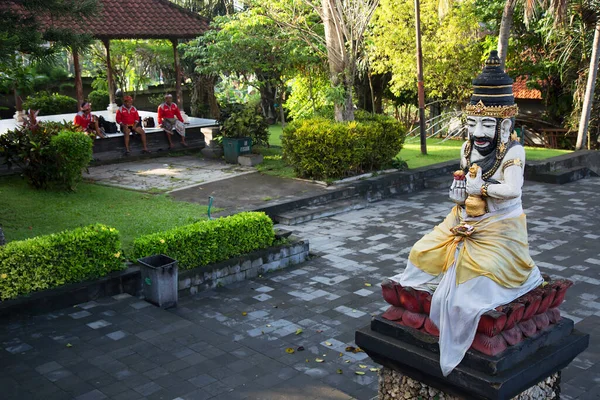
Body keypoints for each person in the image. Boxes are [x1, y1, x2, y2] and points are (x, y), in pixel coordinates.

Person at [387, 50, 543, 376]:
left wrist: (482, 190)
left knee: (477, 286)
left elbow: (512, 190)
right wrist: (458, 194)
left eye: (488, 124)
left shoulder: (514, 150)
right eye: (473, 124)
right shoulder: (467, 147)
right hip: (463, 217)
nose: (479, 133)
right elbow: (463, 182)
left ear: (505, 124)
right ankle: (429, 299)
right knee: (420, 254)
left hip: (500, 225)